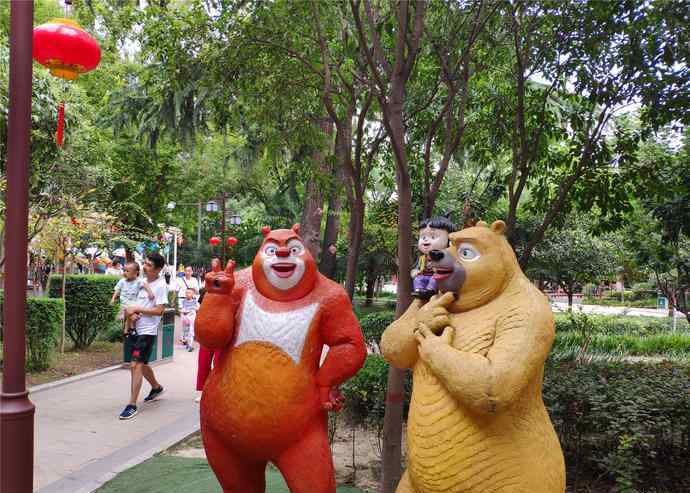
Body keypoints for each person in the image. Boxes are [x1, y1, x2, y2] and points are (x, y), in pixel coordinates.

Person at [118, 253, 169, 420]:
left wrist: (137, 310)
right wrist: (130, 314)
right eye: (144, 263)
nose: (144, 267)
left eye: (149, 265)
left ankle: (132, 404)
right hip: (135, 329)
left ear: (158, 269)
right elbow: (130, 302)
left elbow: (159, 310)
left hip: (147, 331)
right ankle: (156, 387)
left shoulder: (161, 286)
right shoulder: (142, 283)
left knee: (135, 365)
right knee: (142, 363)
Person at [411, 216, 456, 300]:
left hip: (437, 277)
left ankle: (430, 290)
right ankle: (419, 290)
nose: (426, 241)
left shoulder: (445, 256)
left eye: (433, 237)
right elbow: (418, 267)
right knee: (417, 279)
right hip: (424, 275)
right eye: (423, 237)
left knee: (434, 279)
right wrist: (415, 271)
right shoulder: (422, 258)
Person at [110, 262, 154, 335]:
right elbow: (117, 290)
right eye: (124, 270)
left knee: (131, 316)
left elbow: (145, 285)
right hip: (124, 303)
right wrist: (113, 299)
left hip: (134, 303)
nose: (125, 273)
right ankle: (131, 328)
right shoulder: (122, 281)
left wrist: (150, 293)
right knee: (132, 316)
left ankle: (127, 330)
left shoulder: (138, 281)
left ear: (136, 272)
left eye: (127, 271)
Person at [180, 288, 200, 352]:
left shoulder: (195, 302)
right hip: (185, 319)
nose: (187, 294)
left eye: (189, 293)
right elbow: (180, 309)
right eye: (186, 293)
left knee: (191, 332)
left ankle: (190, 345)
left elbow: (198, 309)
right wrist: (183, 311)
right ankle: (185, 341)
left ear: (193, 294)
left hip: (191, 319)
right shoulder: (183, 301)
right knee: (185, 331)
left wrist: (193, 309)